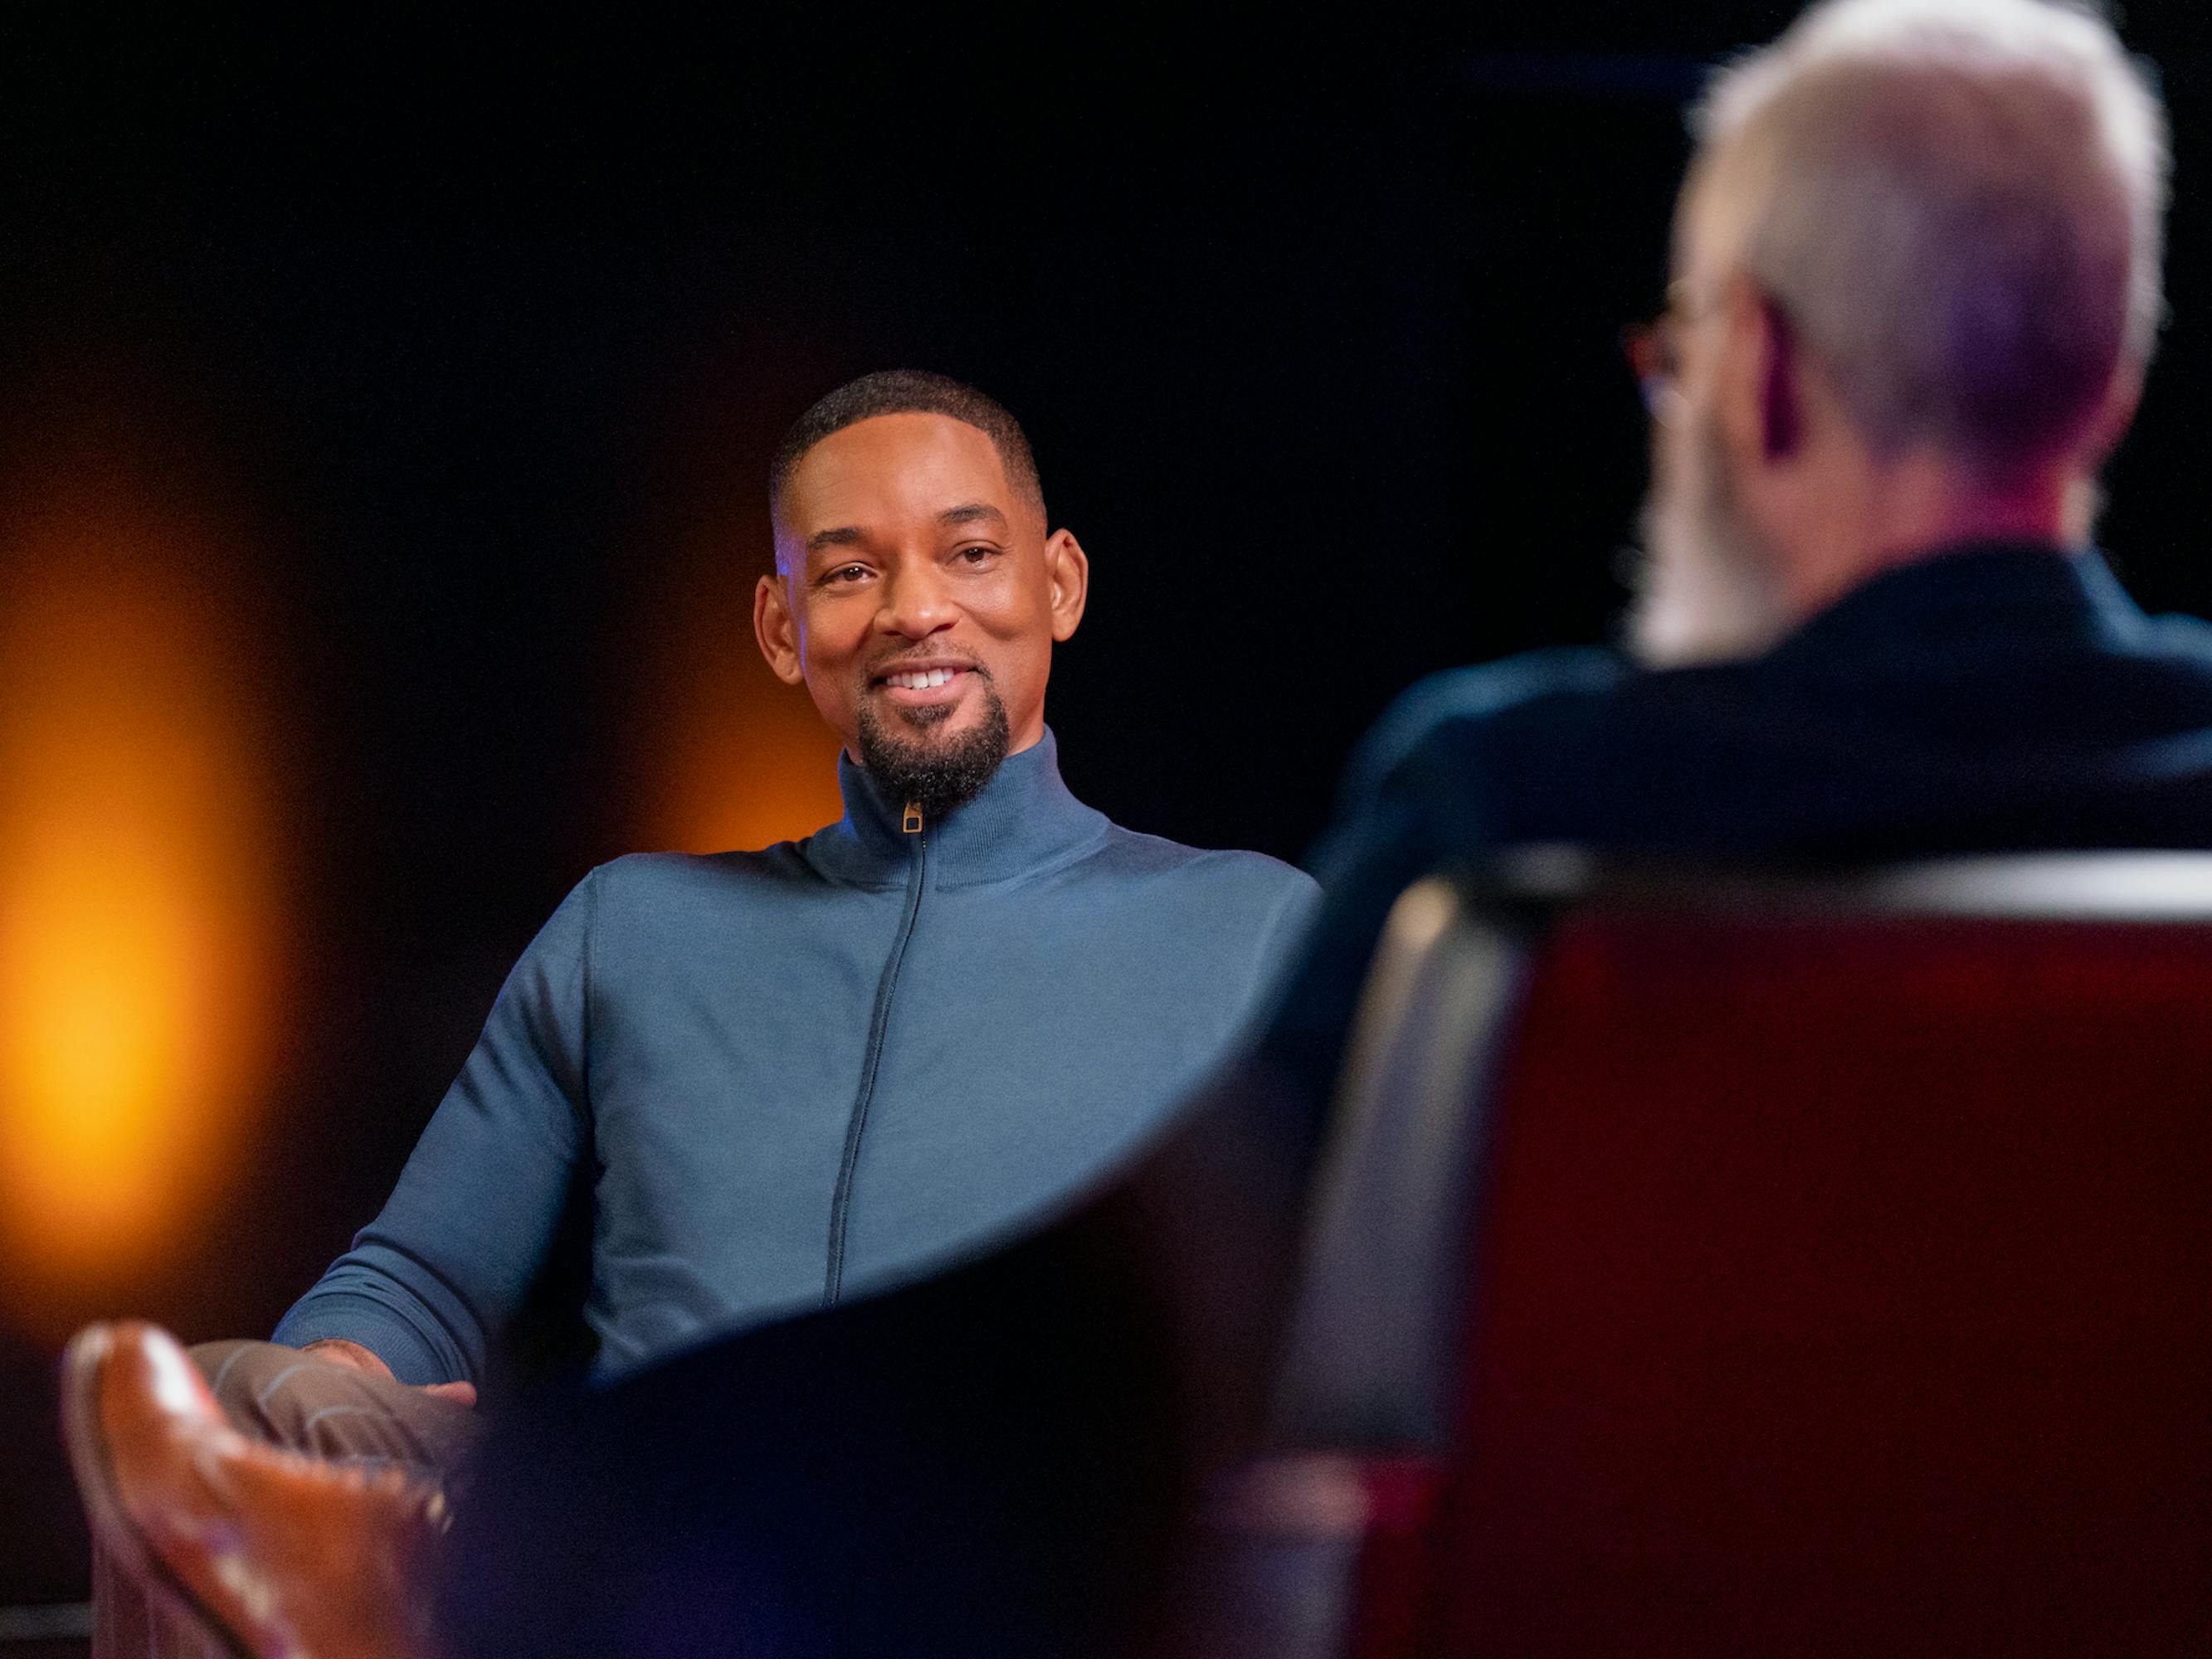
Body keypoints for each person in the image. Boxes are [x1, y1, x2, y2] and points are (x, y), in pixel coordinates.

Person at [68, 1, 2212, 1655]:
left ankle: (448, 1566)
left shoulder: (1517, 803)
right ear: (2103, 383)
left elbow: (1175, 1365)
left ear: (1751, 373)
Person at [71, 370, 1315, 1659]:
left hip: (1000, 1547)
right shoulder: (634, 928)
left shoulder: (1250, 926)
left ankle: (443, 1580)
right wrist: (346, 1363)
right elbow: (419, 1278)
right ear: (781, 629)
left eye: (969, 552)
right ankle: (429, 1562)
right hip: (636, 1506)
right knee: (235, 1398)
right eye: (848, 573)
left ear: (1057, 585)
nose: (915, 610)